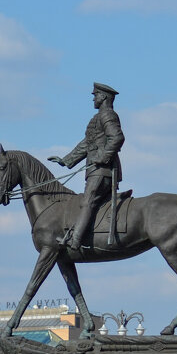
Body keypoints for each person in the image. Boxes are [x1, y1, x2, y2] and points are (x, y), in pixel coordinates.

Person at [49, 82, 125, 251]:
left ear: (103, 96)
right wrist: (66, 160)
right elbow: (87, 143)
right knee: (88, 201)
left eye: (95, 95)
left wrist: (103, 157)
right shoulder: (99, 117)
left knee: (87, 201)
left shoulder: (107, 115)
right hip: (95, 169)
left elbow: (117, 137)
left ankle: (75, 240)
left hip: (102, 170)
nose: (93, 98)